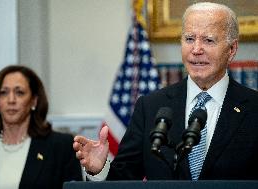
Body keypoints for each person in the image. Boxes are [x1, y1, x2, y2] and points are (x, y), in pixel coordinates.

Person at [73, 2, 258, 180]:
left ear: (232, 49)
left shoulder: (254, 108)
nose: (196, 49)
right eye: (189, 39)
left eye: (208, 40)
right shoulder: (151, 107)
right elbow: (124, 180)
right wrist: (99, 170)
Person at [0, 65, 83, 189]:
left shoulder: (60, 146)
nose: (11, 100)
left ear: (34, 101)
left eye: (19, 92)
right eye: (3, 93)